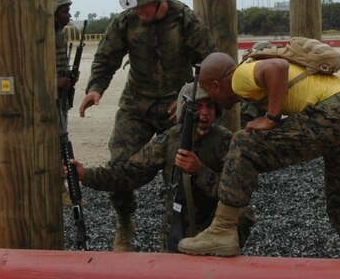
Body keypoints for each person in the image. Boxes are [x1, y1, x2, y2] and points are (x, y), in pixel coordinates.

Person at [177, 51, 340, 259]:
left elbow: (278, 66)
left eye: (208, 92)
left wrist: (271, 118)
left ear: (216, 86)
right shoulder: (250, 87)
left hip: (335, 114)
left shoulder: (239, 77)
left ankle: (222, 230)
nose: (210, 98)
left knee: (243, 143)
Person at [78, 0, 214, 251]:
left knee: (182, 167)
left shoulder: (185, 20)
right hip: (136, 105)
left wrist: (190, 95)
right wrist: (95, 89)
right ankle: (124, 220)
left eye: (142, 6)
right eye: (133, 6)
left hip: (175, 105)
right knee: (119, 163)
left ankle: (190, 226)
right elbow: (106, 57)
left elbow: (210, 63)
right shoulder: (126, 22)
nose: (137, 11)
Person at [67, 83, 253, 252]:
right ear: (185, 110)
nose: (204, 113)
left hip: (213, 226)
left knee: (242, 213)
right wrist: (85, 174)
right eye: (197, 107)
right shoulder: (169, 140)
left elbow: (237, 192)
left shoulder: (226, 141)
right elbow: (130, 174)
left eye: (210, 106)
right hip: (177, 225)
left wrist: (199, 171)